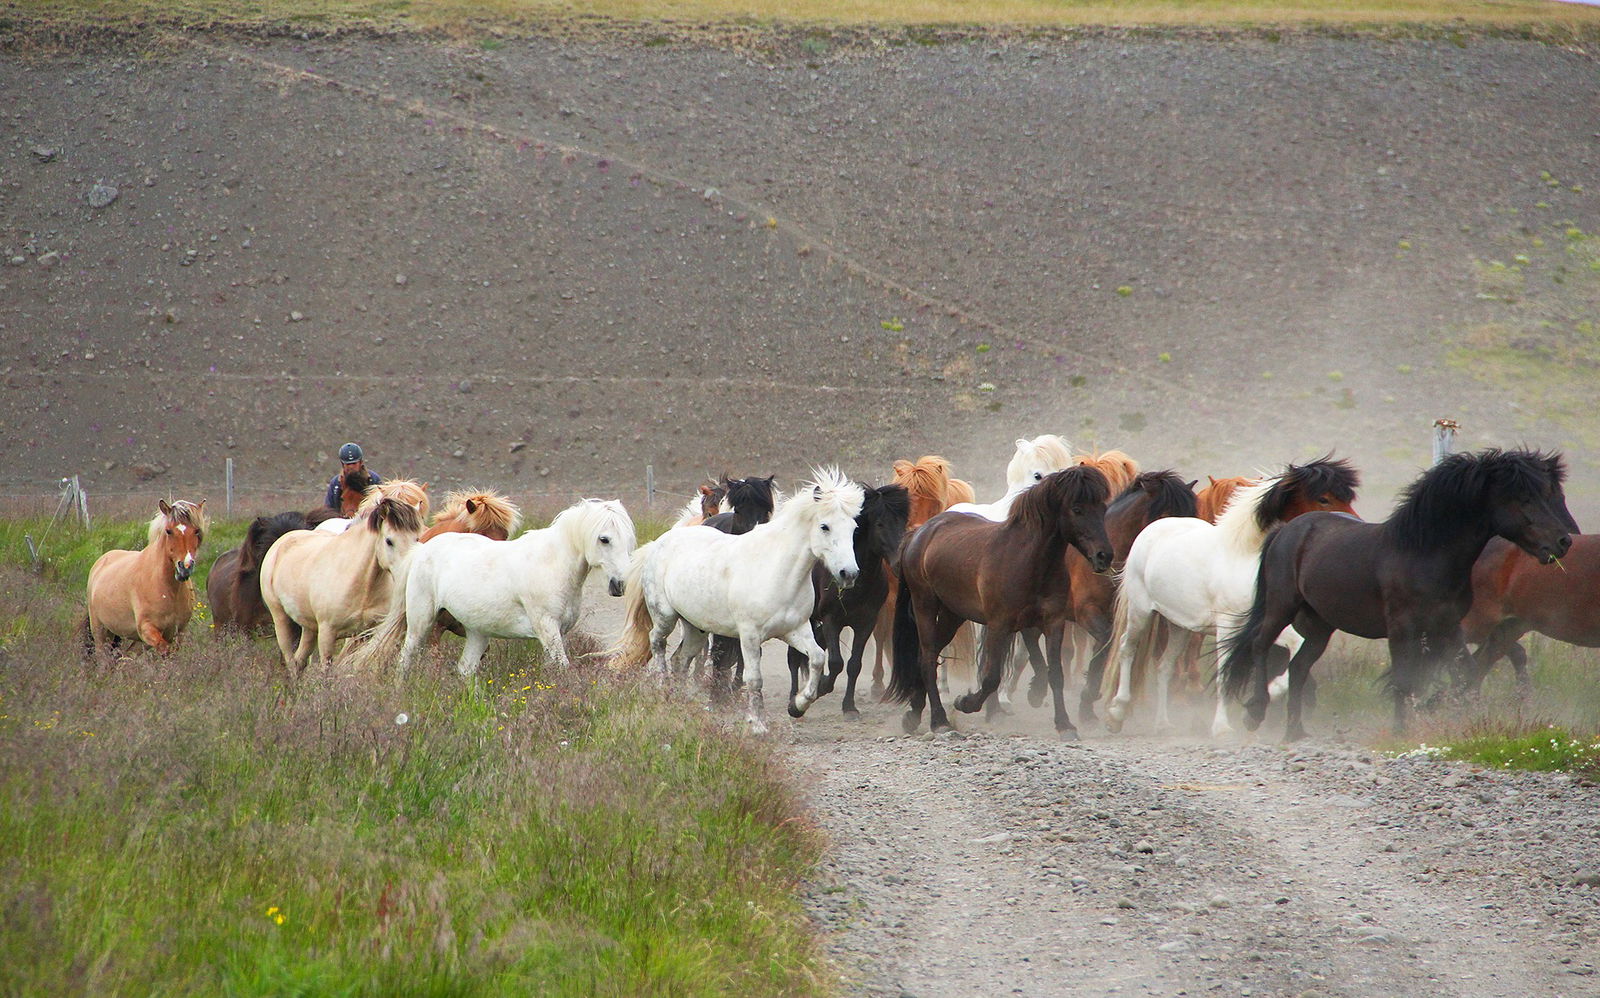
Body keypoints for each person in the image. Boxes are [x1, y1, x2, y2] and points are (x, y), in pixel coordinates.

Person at [324, 442, 382, 510]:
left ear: (361, 462)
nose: (351, 467)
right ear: (342, 464)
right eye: (347, 464)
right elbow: (329, 507)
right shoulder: (336, 483)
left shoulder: (373, 479)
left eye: (354, 463)